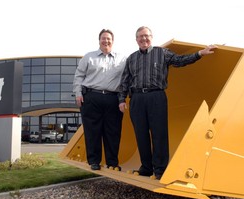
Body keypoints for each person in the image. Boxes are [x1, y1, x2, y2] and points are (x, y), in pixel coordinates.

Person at [118, 26, 217, 179]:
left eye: (146, 36)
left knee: (159, 133)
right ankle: (146, 167)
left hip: (157, 97)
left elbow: (180, 61)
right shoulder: (131, 58)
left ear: (151, 37)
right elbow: (125, 80)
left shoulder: (162, 53)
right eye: (140, 37)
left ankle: (160, 169)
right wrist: (121, 99)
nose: (144, 39)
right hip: (137, 99)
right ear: (136, 39)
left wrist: (199, 54)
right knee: (141, 134)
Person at [73, 29, 126, 171]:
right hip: (91, 97)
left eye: (108, 39)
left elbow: (126, 79)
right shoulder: (88, 57)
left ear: (112, 41)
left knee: (113, 132)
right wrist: (78, 93)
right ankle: (94, 161)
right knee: (92, 131)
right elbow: (79, 76)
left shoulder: (122, 59)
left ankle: (112, 163)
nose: (106, 41)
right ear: (99, 40)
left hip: (113, 98)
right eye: (103, 38)